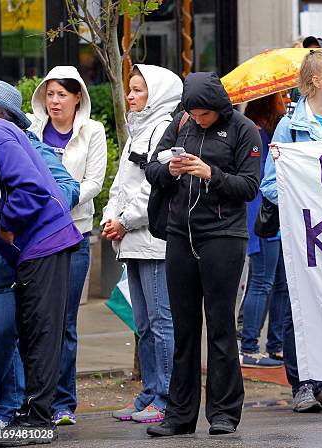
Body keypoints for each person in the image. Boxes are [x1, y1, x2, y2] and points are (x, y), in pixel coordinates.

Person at [144, 72, 261, 437]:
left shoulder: (244, 130)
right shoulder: (180, 123)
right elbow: (150, 170)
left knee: (222, 325)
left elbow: (250, 186)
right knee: (184, 327)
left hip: (223, 235)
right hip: (180, 233)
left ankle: (224, 413)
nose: (198, 119)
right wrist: (169, 170)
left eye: (204, 114)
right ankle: (178, 416)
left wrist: (212, 173)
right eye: (193, 113)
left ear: (219, 107)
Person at [0, 80, 80, 437]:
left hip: (44, 243)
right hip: (33, 247)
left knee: (41, 332)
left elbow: (37, 188)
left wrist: (7, 227)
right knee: (31, 333)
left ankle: (38, 419)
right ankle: (32, 412)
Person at [262, 48, 322, 413]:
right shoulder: (290, 125)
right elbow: (269, 182)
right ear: (317, 81)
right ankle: (302, 384)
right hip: (301, 234)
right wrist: (302, 202)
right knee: (299, 309)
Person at [102, 65, 182, 424]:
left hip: (153, 241)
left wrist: (124, 220)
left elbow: (155, 188)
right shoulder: (138, 129)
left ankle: (165, 397)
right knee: (144, 324)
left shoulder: (164, 130)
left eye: (138, 91)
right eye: (130, 90)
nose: (130, 96)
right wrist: (109, 216)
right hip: (131, 241)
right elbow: (121, 184)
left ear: (159, 93)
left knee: (160, 321)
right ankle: (149, 392)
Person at [28, 66, 107, 426]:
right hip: (35, 237)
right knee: (32, 321)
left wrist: (63, 199)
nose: (54, 101)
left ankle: (63, 402)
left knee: (65, 322)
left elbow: (93, 181)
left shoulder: (93, 131)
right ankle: (29, 397)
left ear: (78, 98)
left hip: (74, 233)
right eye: (50, 93)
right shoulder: (30, 129)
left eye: (62, 94)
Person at [238, 92, 289, 369]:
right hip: (263, 220)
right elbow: (259, 179)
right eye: (280, 97)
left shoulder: (270, 132)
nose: (284, 101)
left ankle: (276, 345)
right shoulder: (256, 135)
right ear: (268, 102)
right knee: (262, 282)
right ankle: (248, 347)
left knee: (280, 283)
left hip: (276, 220)